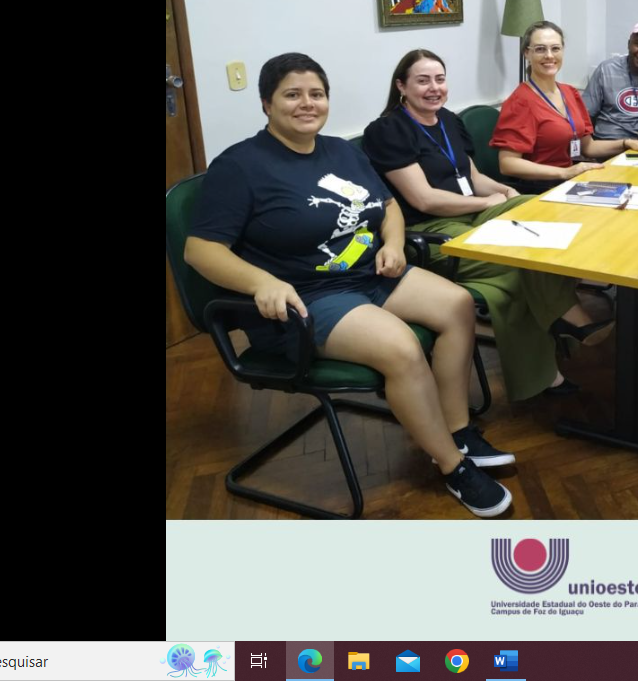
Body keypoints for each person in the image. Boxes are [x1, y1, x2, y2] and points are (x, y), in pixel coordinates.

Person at [184, 53, 514, 518]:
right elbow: (200, 250)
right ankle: (452, 465)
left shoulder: (341, 151)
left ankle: (458, 430)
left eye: (316, 94)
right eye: (292, 94)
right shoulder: (240, 166)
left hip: (368, 275)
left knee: (458, 305)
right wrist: (261, 281)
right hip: (305, 298)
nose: (307, 103)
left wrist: (393, 244)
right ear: (266, 104)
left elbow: (388, 206)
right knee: (402, 348)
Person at [363, 48, 611, 402]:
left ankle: (561, 323)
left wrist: (505, 192)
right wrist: (486, 203)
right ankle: (566, 324)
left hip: (473, 214)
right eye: (422, 81)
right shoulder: (387, 130)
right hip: (432, 232)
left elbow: (473, 178)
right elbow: (424, 200)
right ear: (401, 86)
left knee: (543, 210)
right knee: (517, 269)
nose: (434, 88)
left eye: (439, 79)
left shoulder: (448, 120)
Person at [491, 21, 638, 190]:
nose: (549, 55)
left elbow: (588, 147)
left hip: (571, 180)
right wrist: (565, 172)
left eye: (555, 48)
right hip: (542, 187)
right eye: (540, 49)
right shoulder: (520, 102)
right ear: (526, 54)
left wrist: (627, 143)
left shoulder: (569, 93)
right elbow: (508, 164)